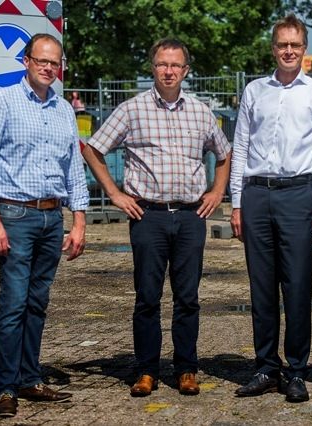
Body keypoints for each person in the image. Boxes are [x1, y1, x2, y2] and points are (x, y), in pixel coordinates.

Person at [82, 38, 231, 398]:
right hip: (148, 215)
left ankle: (186, 369)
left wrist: (216, 192)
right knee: (147, 297)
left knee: (188, 297)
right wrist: (115, 193)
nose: (168, 71)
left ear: (186, 71)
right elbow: (92, 148)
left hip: (190, 215)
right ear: (153, 67)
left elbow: (225, 154)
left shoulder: (200, 112)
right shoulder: (132, 110)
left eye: (175, 65)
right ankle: (146, 370)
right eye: (162, 64)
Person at [0, 33, 89, 418]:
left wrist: (79, 220)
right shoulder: (1, 101)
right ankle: (5, 387)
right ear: (26, 61)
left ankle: (29, 378)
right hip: (15, 215)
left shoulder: (64, 109)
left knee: (37, 303)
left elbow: (74, 168)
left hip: (52, 218)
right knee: (14, 302)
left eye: (55, 63)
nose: (48, 68)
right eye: (42, 61)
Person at [229, 14, 312, 403]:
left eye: (294, 44)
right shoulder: (255, 90)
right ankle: (265, 367)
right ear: (273, 48)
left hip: (298, 194)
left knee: (296, 286)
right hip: (257, 194)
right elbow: (240, 146)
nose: (288, 50)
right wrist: (237, 202)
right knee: (261, 286)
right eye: (282, 44)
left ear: (304, 49)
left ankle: (295, 371)